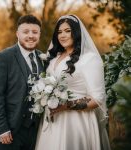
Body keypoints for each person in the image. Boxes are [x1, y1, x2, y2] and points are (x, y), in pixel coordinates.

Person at [35, 15, 111, 150]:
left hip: (77, 123)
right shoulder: (54, 59)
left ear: (76, 32)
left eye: (67, 31)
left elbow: (98, 98)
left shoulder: (89, 59)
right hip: (52, 121)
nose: (62, 35)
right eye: (59, 32)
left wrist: (65, 106)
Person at [0, 14, 45, 150]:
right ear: (17, 34)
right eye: (26, 32)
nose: (30, 36)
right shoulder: (4, 57)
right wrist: (1, 128)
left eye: (35, 32)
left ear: (39, 34)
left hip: (35, 132)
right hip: (9, 131)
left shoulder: (43, 58)